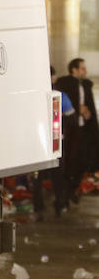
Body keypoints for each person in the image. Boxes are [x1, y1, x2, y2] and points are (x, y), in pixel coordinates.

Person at [33, 66, 75, 218]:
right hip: (56, 143)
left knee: (37, 177)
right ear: (54, 78)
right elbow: (71, 118)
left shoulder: (33, 97)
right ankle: (59, 205)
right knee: (58, 176)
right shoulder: (60, 96)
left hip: (37, 144)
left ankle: (38, 208)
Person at [55, 58, 99, 201]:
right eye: (82, 68)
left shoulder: (85, 85)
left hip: (83, 128)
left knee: (83, 160)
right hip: (69, 130)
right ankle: (65, 194)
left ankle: (72, 189)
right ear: (74, 69)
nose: (85, 71)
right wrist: (76, 108)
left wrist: (88, 114)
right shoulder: (64, 84)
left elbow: (88, 105)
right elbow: (63, 104)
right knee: (69, 162)